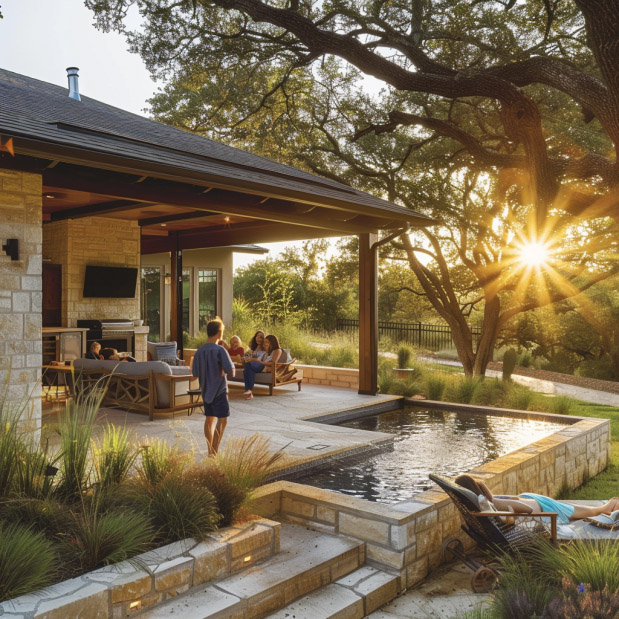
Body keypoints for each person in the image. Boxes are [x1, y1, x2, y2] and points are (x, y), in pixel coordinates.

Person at [455, 474, 619, 525]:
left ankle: (605, 507)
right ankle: (606, 507)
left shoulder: (486, 503)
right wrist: (515, 513)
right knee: (571, 509)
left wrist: (514, 515)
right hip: (533, 501)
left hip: (538, 505)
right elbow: (515, 502)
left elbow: (517, 506)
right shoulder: (487, 500)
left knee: (578, 512)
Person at [192, 318, 235, 456]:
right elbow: (230, 370)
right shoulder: (220, 350)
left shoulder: (199, 352)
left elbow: (195, 374)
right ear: (219, 332)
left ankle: (210, 449)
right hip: (219, 390)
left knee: (209, 419)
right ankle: (214, 452)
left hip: (206, 391)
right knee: (222, 419)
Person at [243, 334, 282, 400]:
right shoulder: (267, 351)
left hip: (265, 367)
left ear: (272, 342)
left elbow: (272, 363)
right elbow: (245, 357)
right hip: (261, 366)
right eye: (265, 342)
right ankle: (249, 392)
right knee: (248, 367)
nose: (266, 344)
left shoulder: (277, 350)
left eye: (267, 342)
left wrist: (256, 360)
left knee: (248, 365)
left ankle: (248, 390)